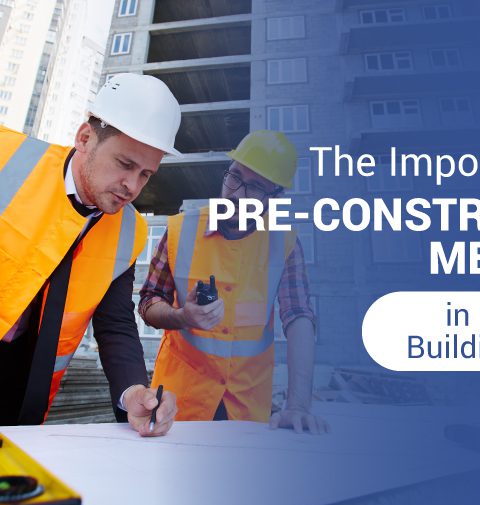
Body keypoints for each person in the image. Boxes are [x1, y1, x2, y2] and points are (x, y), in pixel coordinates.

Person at [0, 73, 178, 436]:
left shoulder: (130, 230)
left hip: (20, 390)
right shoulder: (7, 157)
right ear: (85, 138)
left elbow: (115, 323)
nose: (133, 186)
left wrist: (133, 392)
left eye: (146, 174)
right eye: (125, 164)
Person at [139, 130, 329, 434]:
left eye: (255, 188)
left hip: (247, 408)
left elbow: (299, 317)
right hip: (178, 404)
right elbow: (149, 301)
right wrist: (180, 316)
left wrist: (298, 405)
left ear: (275, 198)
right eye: (235, 177)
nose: (237, 194)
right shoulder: (180, 230)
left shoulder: (284, 243)